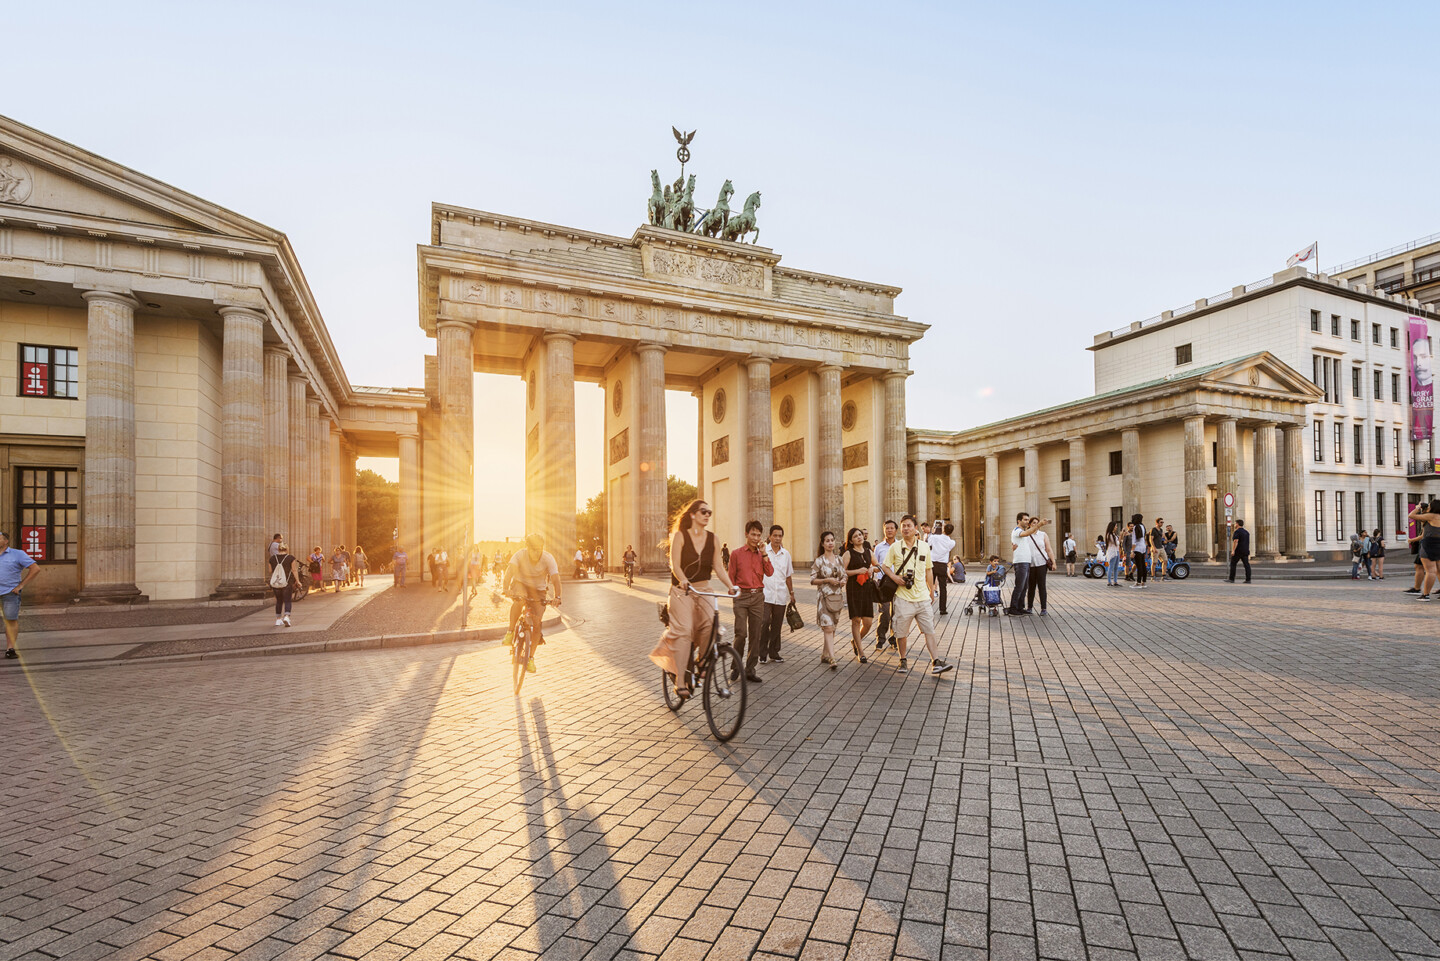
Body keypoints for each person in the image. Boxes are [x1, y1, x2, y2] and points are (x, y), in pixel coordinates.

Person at [650, 499, 736, 700]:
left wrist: (731, 586)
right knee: (684, 630)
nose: (707, 515)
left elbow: (718, 567)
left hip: (704, 589)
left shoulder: (713, 539)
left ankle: (701, 663)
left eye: (709, 512)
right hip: (682, 590)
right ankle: (680, 682)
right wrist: (684, 580)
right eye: (703, 511)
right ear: (692, 515)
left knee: (710, 624)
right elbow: (675, 565)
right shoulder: (680, 536)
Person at [879, 515, 954, 676]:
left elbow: (928, 569)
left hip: (922, 597)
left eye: (909, 525)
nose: (906, 528)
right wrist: (895, 578)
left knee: (929, 630)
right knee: (901, 632)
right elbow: (885, 566)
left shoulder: (924, 547)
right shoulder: (895, 547)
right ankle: (903, 659)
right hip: (903, 597)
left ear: (915, 528)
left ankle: (936, 662)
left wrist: (931, 590)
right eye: (903, 526)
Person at [503, 533, 563, 674]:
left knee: (537, 623)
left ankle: (530, 658)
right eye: (533, 548)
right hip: (521, 584)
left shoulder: (548, 558)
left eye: (539, 548)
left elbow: (555, 579)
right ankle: (510, 632)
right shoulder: (519, 555)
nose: (537, 552)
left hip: (539, 590)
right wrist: (505, 588)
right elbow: (509, 572)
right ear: (527, 547)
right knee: (520, 598)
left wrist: (557, 596)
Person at [726, 520, 773, 684]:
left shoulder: (762, 554)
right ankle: (736, 666)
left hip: (758, 597)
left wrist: (765, 553)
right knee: (741, 633)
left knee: (756, 635)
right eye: (753, 534)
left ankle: (750, 669)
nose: (755, 538)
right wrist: (732, 591)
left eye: (759, 535)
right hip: (742, 597)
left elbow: (770, 572)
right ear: (746, 534)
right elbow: (730, 577)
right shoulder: (736, 554)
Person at [0, 531, 41, 659]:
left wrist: (21, 585)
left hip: (10, 592)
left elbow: (35, 569)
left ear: (6, 541)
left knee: (11, 620)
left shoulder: (18, 554)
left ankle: (10, 649)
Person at [759, 525, 795, 665]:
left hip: (780, 594)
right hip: (765, 594)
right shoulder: (763, 551)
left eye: (780, 536)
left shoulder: (785, 554)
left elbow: (788, 576)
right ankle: (762, 653)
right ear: (769, 536)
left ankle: (774, 652)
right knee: (765, 621)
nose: (777, 538)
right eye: (775, 535)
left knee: (777, 625)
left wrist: (791, 593)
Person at [811, 531, 846, 668]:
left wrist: (843, 580)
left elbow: (844, 575)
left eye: (832, 540)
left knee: (832, 628)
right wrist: (827, 580)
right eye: (827, 540)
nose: (830, 543)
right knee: (828, 627)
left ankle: (825, 654)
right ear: (822, 543)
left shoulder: (839, 559)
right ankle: (832, 658)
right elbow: (812, 580)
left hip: (837, 597)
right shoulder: (819, 561)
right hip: (824, 598)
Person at [840, 528, 874, 664]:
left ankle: (855, 640)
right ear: (851, 540)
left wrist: (872, 568)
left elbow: (879, 566)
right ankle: (861, 652)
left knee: (868, 622)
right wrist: (857, 571)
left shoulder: (869, 551)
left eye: (860, 535)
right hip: (853, 588)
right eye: (855, 536)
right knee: (856, 620)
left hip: (866, 588)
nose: (859, 537)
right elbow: (841, 571)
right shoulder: (848, 553)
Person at [1007, 513, 1046, 615]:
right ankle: (1013, 608)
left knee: (1024, 587)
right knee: (1019, 586)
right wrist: (1039, 525)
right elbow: (1026, 533)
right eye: (1025, 520)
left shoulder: (1022, 531)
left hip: (1026, 562)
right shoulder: (1017, 531)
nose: (1027, 522)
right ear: (1019, 521)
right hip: (1020, 562)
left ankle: (1020, 607)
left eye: (1028, 520)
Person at [872, 520, 900, 652]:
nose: (889, 530)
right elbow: (875, 564)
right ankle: (880, 639)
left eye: (891, 528)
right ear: (884, 530)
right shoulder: (879, 547)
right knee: (884, 613)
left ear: (896, 530)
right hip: (883, 584)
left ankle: (894, 639)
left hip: (897, 583)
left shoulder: (901, 545)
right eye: (886, 528)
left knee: (896, 612)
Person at [1408, 502, 1440, 599]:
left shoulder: (1431, 516)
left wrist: (1417, 508)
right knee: (1438, 570)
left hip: (1429, 544)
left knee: (1431, 571)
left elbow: (1411, 515)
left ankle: (1425, 595)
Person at [1024, 523, 1054, 615]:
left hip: (1042, 563)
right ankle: (1029, 607)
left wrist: (1054, 562)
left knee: (1042, 586)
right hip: (1031, 564)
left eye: (1037, 523)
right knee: (1031, 587)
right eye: (1033, 522)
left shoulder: (1043, 534)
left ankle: (1043, 608)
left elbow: (1048, 549)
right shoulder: (1026, 535)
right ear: (1029, 524)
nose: (1036, 524)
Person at [268, 542, 299, 627]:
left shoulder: (272, 558)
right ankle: (286, 616)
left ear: (278, 549)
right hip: (287, 582)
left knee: (279, 601)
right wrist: (298, 581)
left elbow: (270, 571)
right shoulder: (290, 558)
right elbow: (294, 570)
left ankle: (278, 620)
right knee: (287, 600)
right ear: (287, 549)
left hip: (276, 583)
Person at [927, 523, 956, 614]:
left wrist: (932, 533)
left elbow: (928, 543)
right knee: (943, 588)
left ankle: (927, 607)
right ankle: (942, 609)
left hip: (933, 564)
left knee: (929, 586)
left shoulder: (935, 537)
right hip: (943, 565)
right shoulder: (952, 542)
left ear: (943, 529)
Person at [1127, 515, 1148, 588]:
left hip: (1137, 548)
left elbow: (1134, 541)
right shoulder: (1142, 526)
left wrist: (1132, 551)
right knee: (1143, 565)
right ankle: (1144, 582)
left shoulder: (1135, 527)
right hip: (1143, 547)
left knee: (1139, 566)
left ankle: (1138, 583)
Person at [1228, 518, 1252, 584]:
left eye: (1235, 523)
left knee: (1233, 564)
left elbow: (1236, 541)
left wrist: (1233, 550)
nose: (1235, 525)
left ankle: (1231, 578)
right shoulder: (1246, 532)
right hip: (1245, 550)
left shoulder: (1237, 532)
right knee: (1246, 565)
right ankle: (1248, 579)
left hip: (1238, 551)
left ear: (1237, 524)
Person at [1103, 520, 1122, 587]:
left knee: (1116, 567)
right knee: (1111, 567)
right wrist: (1121, 536)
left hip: (1116, 552)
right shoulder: (1110, 535)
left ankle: (1115, 581)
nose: (1116, 527)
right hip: (1112, 552)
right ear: (1112, 527)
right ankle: (1109, 581)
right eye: (1116, 526)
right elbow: (1117, 543)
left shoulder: (1114, 534)